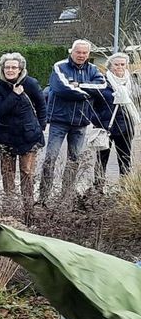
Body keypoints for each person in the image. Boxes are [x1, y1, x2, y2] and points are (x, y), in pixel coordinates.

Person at [40, 39, 108, 205]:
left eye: (85, 53)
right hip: (59, 120)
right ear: (72, 51)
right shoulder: (59, 66)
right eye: (78, 52)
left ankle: (66, 196)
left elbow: (102, 86)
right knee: (50, 158)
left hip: (81, 122)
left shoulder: (93, 69)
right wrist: (86, 92)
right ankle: (43, 198)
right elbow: (62, 89)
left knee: (74, 160)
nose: (81, 55)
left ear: (88, 54)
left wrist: (78, 85)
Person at [0, 52, 46, 217]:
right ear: (2, 68)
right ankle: (10, 211)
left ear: (20, 68)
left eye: (14, 67)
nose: (10, 70)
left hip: (28, 136)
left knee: (27, 173)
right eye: (7, 67)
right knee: (7, 174)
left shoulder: (31, 83)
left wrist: (40, 127)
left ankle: (29, 211)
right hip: (5, 136)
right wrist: (15, 94)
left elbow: (42, 107)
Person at [96, 51, 139, 189]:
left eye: (122, 64)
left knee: (125, 159)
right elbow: (92, 105)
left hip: (126, 127)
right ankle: (97, 188)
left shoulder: (132, 84)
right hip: (106, 127)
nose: (119, 67)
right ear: (110, 66)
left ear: (127, 66)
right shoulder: (103, 82)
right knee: (101, 159)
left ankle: (124, 188)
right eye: (116, 64)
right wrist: (98, 121)